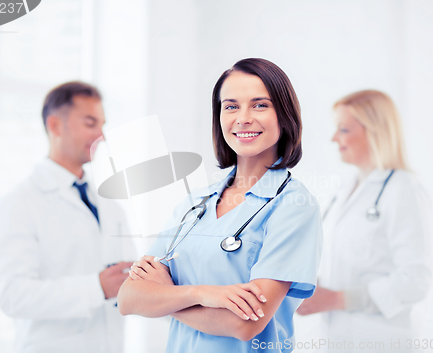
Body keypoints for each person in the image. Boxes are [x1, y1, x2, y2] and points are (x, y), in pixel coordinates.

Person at [117, 58, 323, 353]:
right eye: (231, 106)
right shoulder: (194, 203)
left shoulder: (294, 206)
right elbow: (129, 298)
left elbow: (246, 324)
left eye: (260, 105)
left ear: (284, 115)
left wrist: (165, 298)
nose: (243, 118)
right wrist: (205, 294)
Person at [0, 81, 136, 353]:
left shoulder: (110, 205)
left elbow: (126, 279)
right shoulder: (18, 204)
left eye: (102, 125)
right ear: (55, 126)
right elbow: (12, 295)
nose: (101, 135)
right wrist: (96, 288)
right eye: (90, 123)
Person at [296, 90, 432, 352]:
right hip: (337, 338)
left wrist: (338, 299)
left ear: (375, 131)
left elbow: (416, 280)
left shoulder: (404, 189)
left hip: (383, 340)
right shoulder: (347, 188)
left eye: (344, 129)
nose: (334, 138)